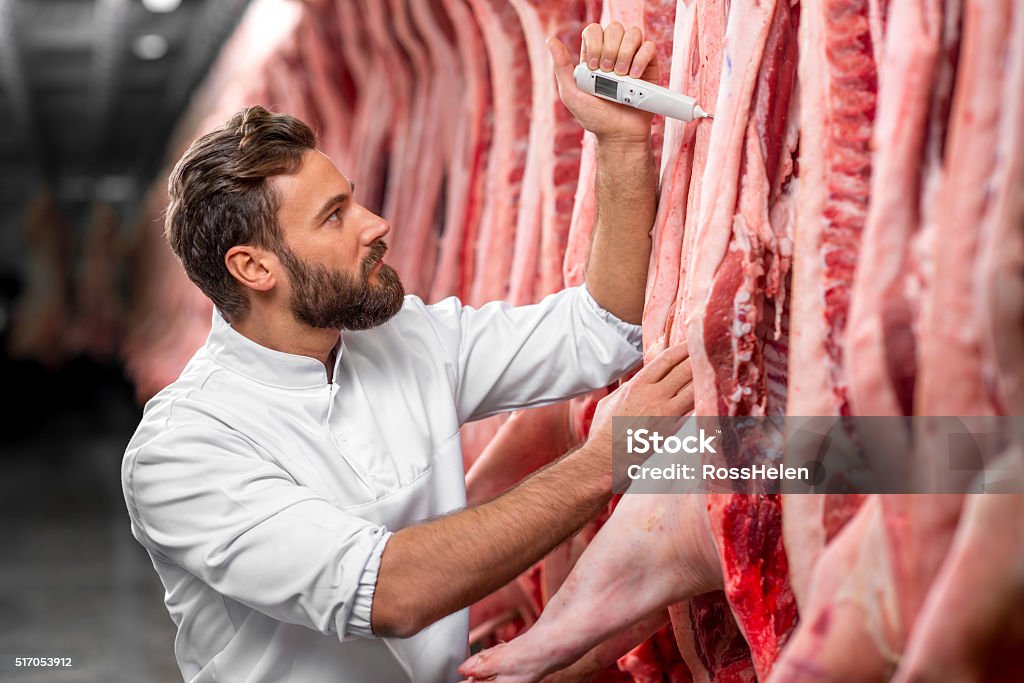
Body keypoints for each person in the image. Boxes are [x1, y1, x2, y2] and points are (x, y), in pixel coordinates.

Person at [121, 23, 694, 683]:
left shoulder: (401, 339)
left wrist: (621, 143)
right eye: (335, 216)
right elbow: (390, 592)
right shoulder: (183, 448)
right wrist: (604, 463)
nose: (375, 224)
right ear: (254, 267)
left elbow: (600, 330)